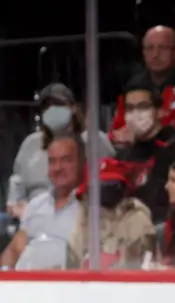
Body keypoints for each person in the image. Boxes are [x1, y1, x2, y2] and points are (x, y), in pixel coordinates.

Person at [8, 83, 114, 220]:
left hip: (83, 221)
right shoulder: (30, 144)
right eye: (47, 107)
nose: (53, 111)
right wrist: (18, 208)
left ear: (73, 108)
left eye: (58, 106)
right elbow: (16, 189)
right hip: (35, 222)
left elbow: (115, 182)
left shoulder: (95, 141)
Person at [113, 84, 175, 224]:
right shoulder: (124, 154)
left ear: (159, 111)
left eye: (143, 106)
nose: (135, 114)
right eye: (129, 108)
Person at [110, 25, 175, 141]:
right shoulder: (134, 85)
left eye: (163, 48)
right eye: (150, 48)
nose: (155, 55)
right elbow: (116, 130)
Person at [0, 136, 84, 270]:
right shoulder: (36, 204)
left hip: (66, 285)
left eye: (66, 160)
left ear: (81, 163)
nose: (58, 168)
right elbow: (15, 249)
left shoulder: (89, 208)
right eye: (52, 161)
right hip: (25, 284)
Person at [66, 158, 157, 270]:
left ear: (123, 187)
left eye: (111, 185)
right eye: (99, 186)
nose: (104, 190)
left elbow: (143, 267)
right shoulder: (81, 221)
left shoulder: (137, 219)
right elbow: (72, 270)